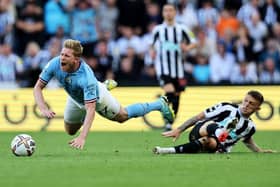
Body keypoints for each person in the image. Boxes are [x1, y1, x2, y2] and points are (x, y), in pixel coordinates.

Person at [33, 39, 175, 150]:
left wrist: (82, 137)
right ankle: (104, 85)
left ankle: (159, 104)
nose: (62, 58)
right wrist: (43, 108)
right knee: (70, 131)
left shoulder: (86, 79)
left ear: (76, 60)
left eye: (66, 56)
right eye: (62, 54)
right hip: (75, 98)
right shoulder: (54, 63)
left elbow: (91, 110)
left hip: (97, 97)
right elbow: (37, 88)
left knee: (122, 116)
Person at [153, 90, 276, 154]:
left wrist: (260, 151)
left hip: (215, 145)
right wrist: (179, 129)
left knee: (209, 141)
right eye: (245, 101)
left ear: (257, 109)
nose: (246, 105)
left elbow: (247, 140)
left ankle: (166, 150)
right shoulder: (226, 107)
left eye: (251, 104)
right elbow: (198, 117)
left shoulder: (250, 127)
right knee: (210, 125)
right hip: (200, 130)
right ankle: (221, 132)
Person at [150, 3, 197, 131]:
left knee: (176, 97)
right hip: (163, 68)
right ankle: (162, 108)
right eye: (166, 10)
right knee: (170, 91)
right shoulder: (158, 30)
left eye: (171, 10)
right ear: (163, 13)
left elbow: (194, 42)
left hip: (179, 70)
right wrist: (152, 53)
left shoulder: (182, 29)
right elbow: (151, 45)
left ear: (175, 12)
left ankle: (170, 122)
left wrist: (186, 48)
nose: (168, 13)